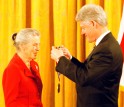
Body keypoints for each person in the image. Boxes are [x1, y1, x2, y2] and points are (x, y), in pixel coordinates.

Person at [51, 4, 123, 107]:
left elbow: (84, 77)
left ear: (93, 24)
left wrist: (59, 58)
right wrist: (70, 59)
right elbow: (89, 71)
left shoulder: (106, 49)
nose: (82, 32)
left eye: (83, 28)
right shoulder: (106, 44)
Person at [2, 28, 43, 107]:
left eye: (38, 44)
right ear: (22, 46)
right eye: (34, 45)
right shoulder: (12, 70)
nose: (38, 48)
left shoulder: (34, 65)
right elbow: (11, 104)